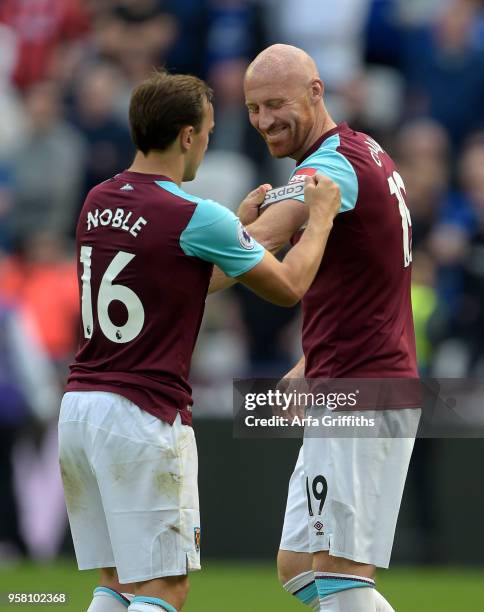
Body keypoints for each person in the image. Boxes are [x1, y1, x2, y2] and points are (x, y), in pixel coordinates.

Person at [58, 69, 340, 612]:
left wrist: (235, 230)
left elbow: (178, 284)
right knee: (165, 589)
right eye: (208, 133)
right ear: (187, 135)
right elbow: (288, 287)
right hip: (142, 414)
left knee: (116, 584)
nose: (207, 146)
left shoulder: (98, 198)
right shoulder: (192, 214)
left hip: (80, 411)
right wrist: (321, 219)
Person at [237, 44, 418, 612]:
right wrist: (308, 362)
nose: (265, 121)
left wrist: (196, 251)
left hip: (363, 389)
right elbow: (367, 281)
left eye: (275, 104)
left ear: (316, 93)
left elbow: (260, 243)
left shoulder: (330, 169)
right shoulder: (362, 150)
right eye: (253, 109)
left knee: (341, 576)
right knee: (297, 566)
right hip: (349, 376)